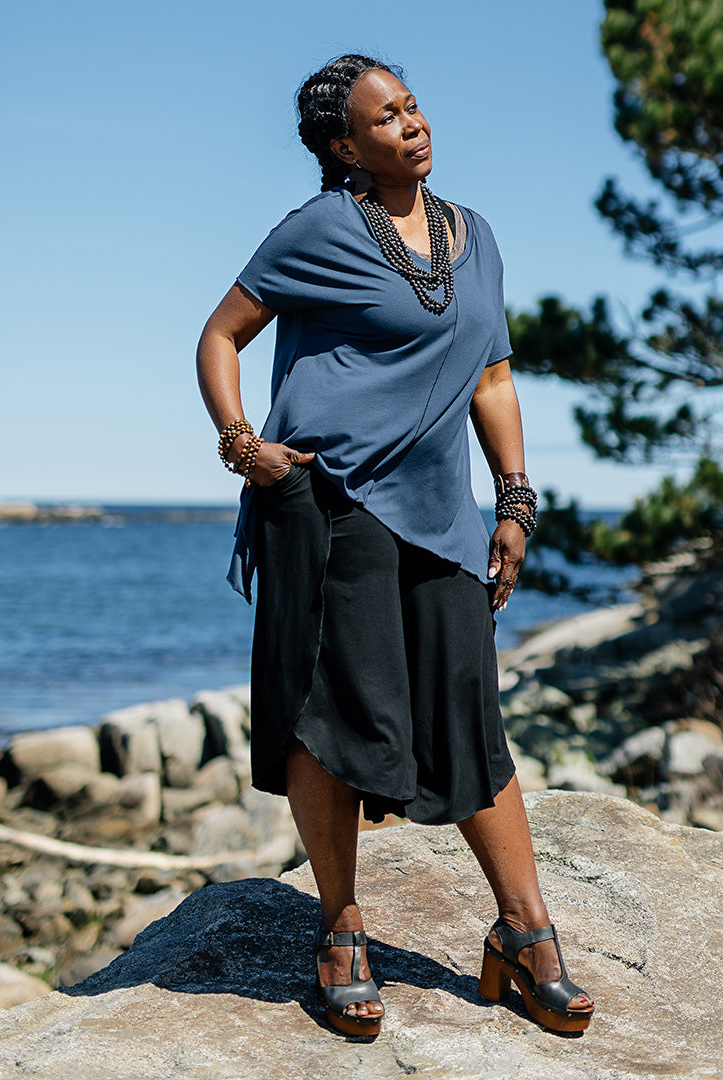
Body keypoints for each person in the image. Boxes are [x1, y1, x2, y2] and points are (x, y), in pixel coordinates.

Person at [196, 54, 593, 1038]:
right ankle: (341, 931)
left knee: (469, 715)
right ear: (345, 145)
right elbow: (220, 335)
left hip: (442, 515)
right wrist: (241, 444)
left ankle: (525, 932)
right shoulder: (319, 230)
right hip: (330, 503)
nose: (412, 124)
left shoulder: (474, 234)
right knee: (328, 719)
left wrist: (514, 499)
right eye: (386, 117)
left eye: (413, 107)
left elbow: (493, 379)